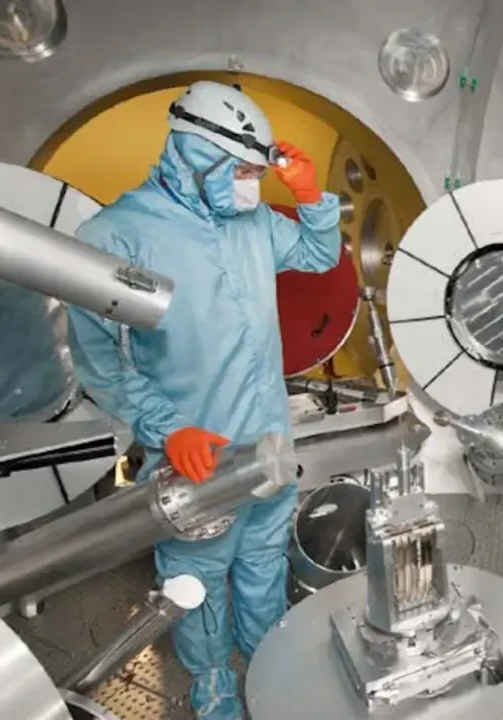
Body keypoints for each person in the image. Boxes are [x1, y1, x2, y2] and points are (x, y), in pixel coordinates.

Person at [65, 80, 341, 719]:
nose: (250, 187)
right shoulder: (117, 235)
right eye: (241, 171)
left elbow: (317, 254)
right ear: (193, 153)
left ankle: (270, 659)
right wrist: (168, 429)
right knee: (196, 573)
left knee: (263, 558)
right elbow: (98, 361)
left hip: (269, 439)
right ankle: (212, 679)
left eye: (256, 173)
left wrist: (310, 197)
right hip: (195, 450)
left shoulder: (253, 221)